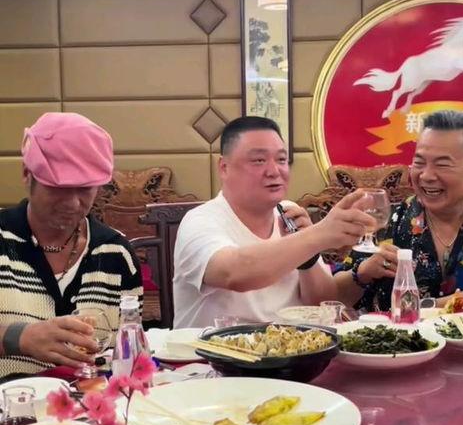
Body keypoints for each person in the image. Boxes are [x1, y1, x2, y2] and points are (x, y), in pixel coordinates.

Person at [173, 116, 375, 328]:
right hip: (214, 348)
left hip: (290, 346)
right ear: (224, 167)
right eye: (259, 161)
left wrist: (308, 259)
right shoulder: (200, 221)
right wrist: (317, 235)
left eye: (281, 159)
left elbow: (320, 304)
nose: (274, 171)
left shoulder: (289, 214)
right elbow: (233, 273)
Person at [0, 112, 143, 377]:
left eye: (86, 189)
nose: (73, 203)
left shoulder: (115, 253)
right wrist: (19, 338)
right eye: (58, 188)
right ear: (27, 174)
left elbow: (124, 355)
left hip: (91, 400)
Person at [334, 109, 463, 311]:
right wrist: (363, 273)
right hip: (394, 332)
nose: (426, 176)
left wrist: (432, 307)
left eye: (442, 165)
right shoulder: (392, 220)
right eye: (419, 162)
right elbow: (333, 297)